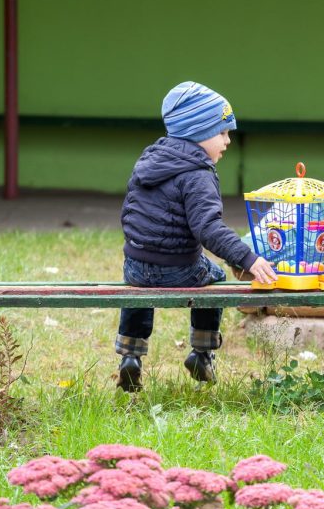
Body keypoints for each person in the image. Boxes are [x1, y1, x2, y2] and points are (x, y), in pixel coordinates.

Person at [115, 81, 277, 392]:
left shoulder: (150, 159)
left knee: (138, 289)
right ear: (198, 131)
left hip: (135, 262)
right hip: (177, 268)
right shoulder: (198, 173)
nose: (228, 141)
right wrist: (248, 258)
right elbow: (208, 229)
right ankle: (202, 353)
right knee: (213, 278)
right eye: (222, 133)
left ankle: (130, 355)